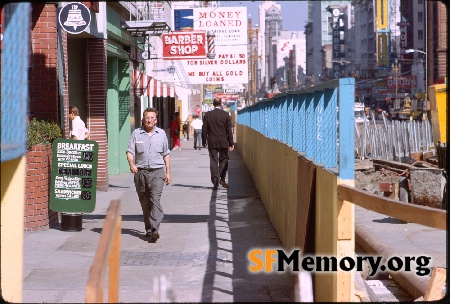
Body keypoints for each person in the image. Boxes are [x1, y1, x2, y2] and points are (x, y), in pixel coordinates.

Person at [126, 107, 171, 241]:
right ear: (143, 119)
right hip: (141, 172)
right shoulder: (136, 133)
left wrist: (168, 172)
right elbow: (129, 151)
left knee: (154, 200)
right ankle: (148, 228)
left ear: (156, 120)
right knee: (145, 202)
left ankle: (154, 228)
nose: (149, 120)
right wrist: (131, 164)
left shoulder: (161, 134)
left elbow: (166, 154)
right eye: (147, 118)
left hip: (158, 172)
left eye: (152, 118)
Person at [202, 97, 234, 190]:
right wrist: (231, 143)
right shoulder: (225, 115)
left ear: (213, 104)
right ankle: (222, 179)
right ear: (221, 104)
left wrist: (204, 141)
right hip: (223, 141)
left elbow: (204, 129)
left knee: (213, 161)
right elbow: (229, 131)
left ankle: (215, 182)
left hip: (212, 141)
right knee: (224, 159)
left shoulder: (208, 115)